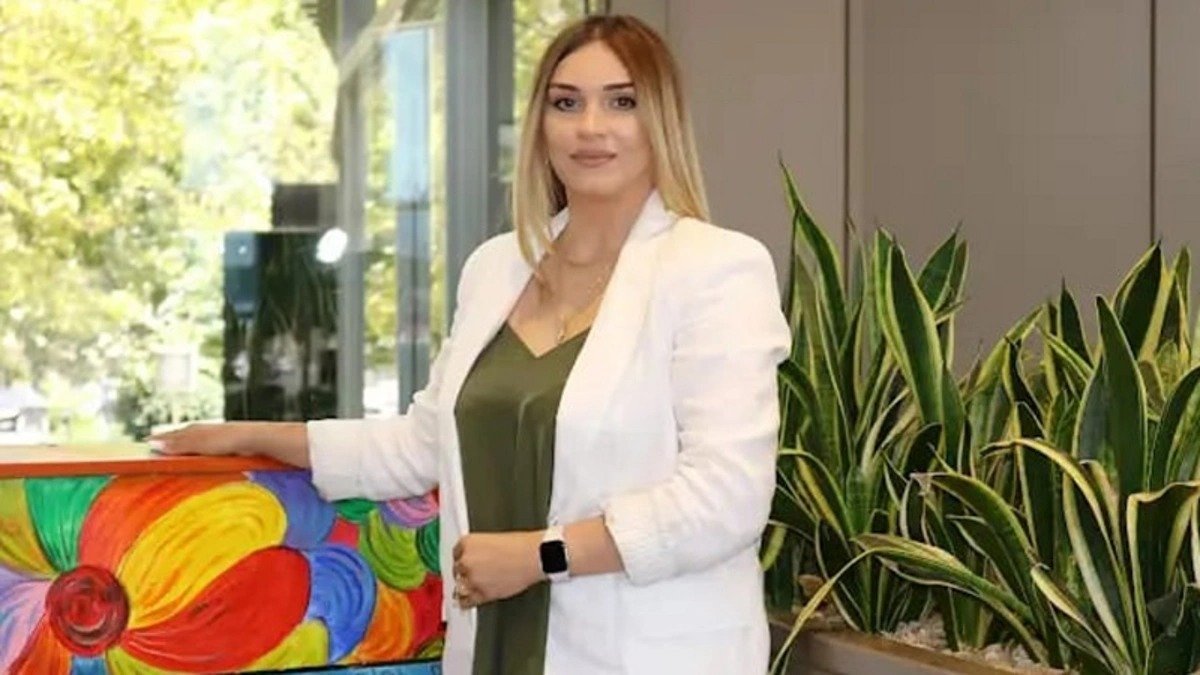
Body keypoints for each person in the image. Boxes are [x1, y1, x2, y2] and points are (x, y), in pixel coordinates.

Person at [151, 14, 790, 675]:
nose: (591, 126)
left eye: (621, 102)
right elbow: (420, 445)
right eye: (566, 103)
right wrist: (247, 435)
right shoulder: (497, 268)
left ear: (661, 120)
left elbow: (727, 498)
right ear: (540, 125)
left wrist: (541, 556)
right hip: (490, 647)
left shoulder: (716, 268)